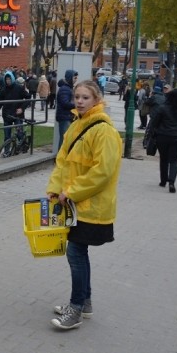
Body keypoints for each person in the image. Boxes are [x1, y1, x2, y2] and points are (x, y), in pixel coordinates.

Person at [47, 80, 122, 330]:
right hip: (74, 204)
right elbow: (63, 161)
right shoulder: (78, 124)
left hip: (91, 206)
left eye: (85, 98)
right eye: (77, 97)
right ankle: (84, 302)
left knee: (75, 253)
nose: (79, 101)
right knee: (79, 253)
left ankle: (76, 308)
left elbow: (103, 171)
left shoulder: (104, 130)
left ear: (97, 99)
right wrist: (55, 189)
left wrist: (71, 191)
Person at [151, 88, 177, 193]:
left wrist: (154, 133)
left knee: (163, 159)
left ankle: (163, 181)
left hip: (162, 136)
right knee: (174, 160)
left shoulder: (162, 108)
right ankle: (172, 182)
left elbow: (155, 122)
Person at [54, 69, 78, 151]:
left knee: (67, 138)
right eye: (74, 78)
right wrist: (77, 105)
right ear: (69, 78)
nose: (76, 80)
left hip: (68, 116)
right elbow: (65, 103)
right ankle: (60, 158)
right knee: (64, 139)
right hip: (65, 117)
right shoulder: (64, 89)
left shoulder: (68, 88)